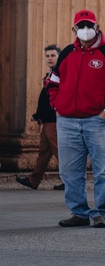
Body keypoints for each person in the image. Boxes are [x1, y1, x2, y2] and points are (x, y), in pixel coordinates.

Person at [48, 10, 105, 228]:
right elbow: (53, 82)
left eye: (89, 25)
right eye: (81, 26)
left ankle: (100, 212)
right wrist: (57, 105)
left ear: (97, 26)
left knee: (102, 169)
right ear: (74, 29)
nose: (85, 30)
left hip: (97, 120)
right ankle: (79, 212)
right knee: (69, 170)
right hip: (67, 121)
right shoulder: (67, 52)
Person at [16, 45, 65, 190]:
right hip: (47, 120)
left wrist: (42, 115)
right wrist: (38, 115)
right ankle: (34, 180)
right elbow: (45, 98)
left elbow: (56, 98)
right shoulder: (51, 74)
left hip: (54, 120)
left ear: (59, 57)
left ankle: (70, 181)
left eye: (52, 56)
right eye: (47, 56)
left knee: (60, 152)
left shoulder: (60, 74)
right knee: (44, 152)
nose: (49, 58)